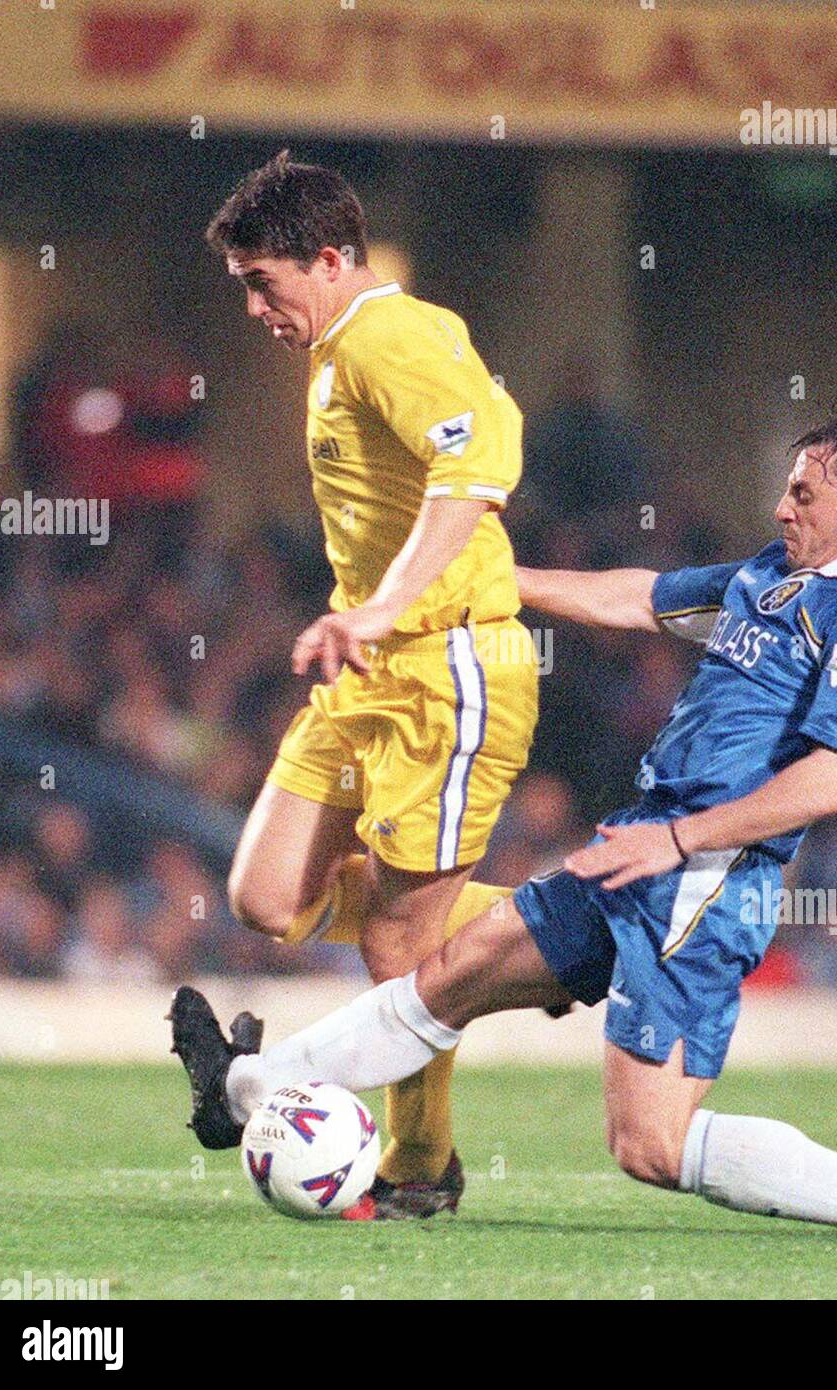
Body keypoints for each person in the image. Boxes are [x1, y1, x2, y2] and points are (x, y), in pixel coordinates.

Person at [172, 417, 837, 1233]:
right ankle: (240, 1091)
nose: (781, 508)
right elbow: (639, 597)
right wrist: (493, 580)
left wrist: (675, 841)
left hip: (703, 883)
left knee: (650, 1148)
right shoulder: (778, 575)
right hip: (638, 846)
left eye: (803, 493)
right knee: (454, 971)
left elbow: (833, 780)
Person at [200, 151, 540, 1217]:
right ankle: (542, 928)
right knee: (267, 897)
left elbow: (479, 468)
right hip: (370, 670)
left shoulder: (388, 337)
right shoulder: (347, 347)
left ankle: (420, 1164)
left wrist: (383, 606)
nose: (256, 307)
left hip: (446, 669)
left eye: (266, 282)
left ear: (331, 257)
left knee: (399, 939)